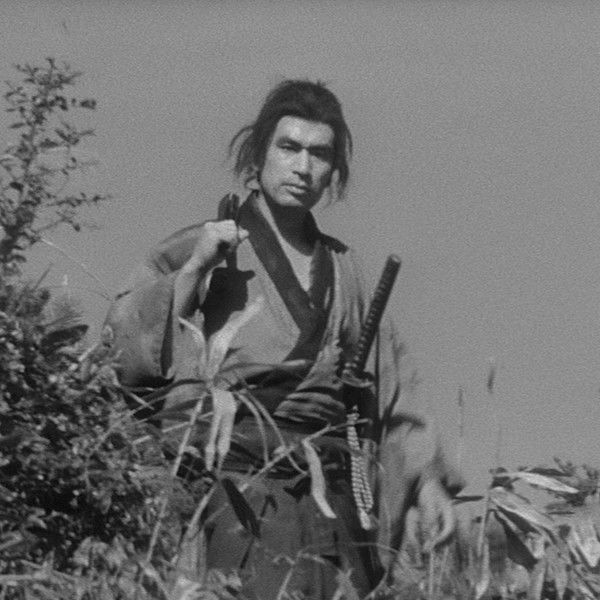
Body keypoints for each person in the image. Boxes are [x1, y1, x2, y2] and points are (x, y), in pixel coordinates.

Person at [105, 80, 461, 598]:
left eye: (320, 154)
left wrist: (427, 481)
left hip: (331, 503)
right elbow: (122, 347)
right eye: (289, 147)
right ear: (259, 154)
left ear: (334, 170)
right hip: (237, 492)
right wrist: (195, 269)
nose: (303, 167)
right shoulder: (208, 244)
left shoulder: (346, 271)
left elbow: (393, 387)